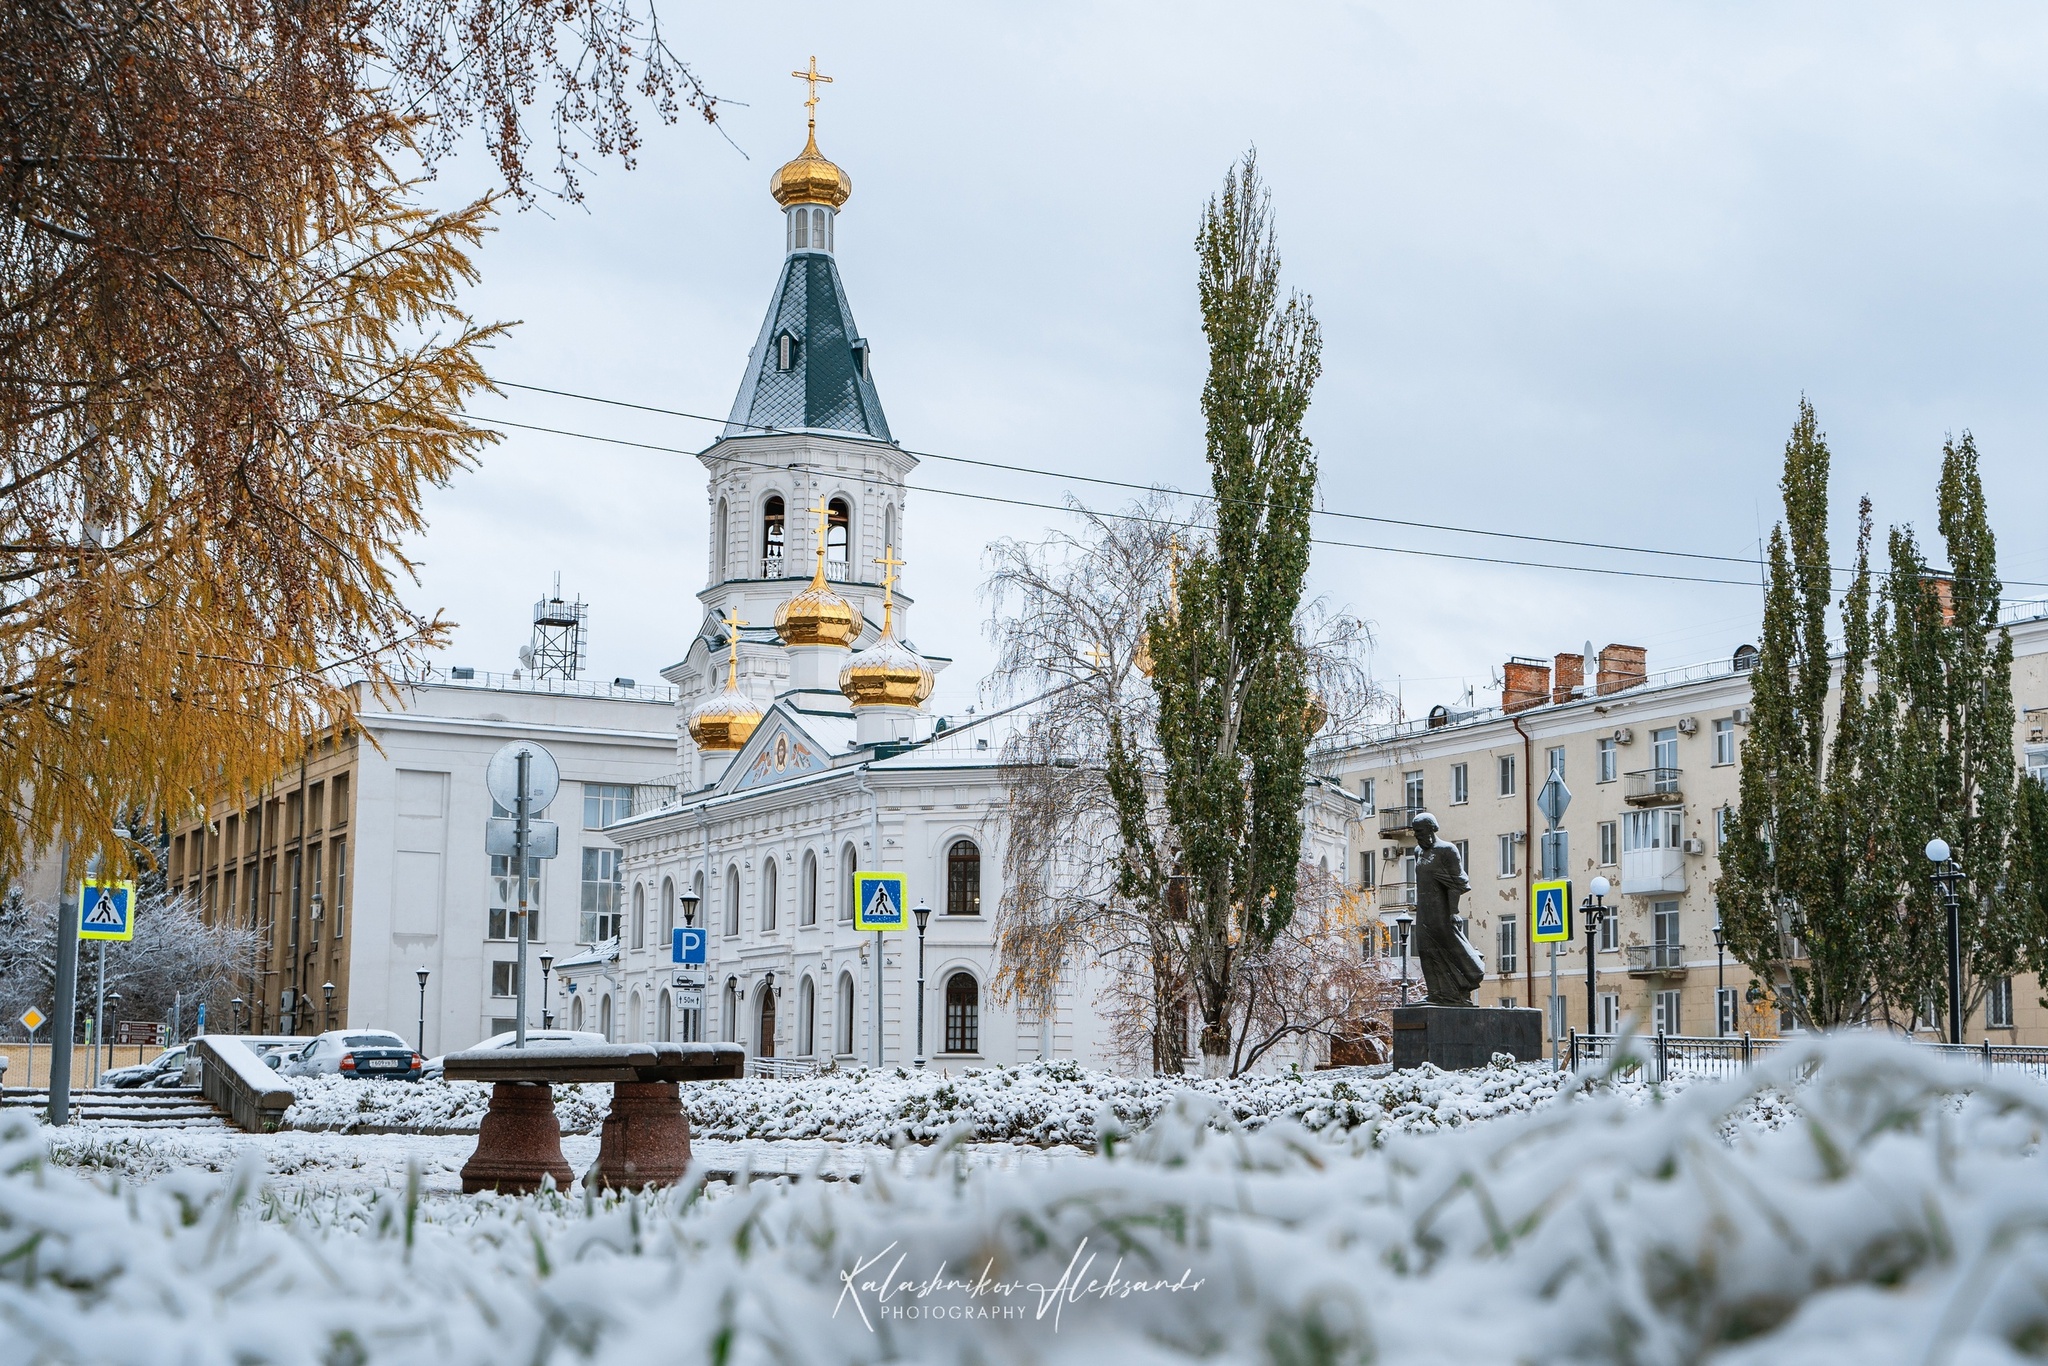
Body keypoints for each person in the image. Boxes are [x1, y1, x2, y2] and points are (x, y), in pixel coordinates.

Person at [1410, 812, 1484, 1006]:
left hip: (1441, 911)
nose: (1417, 836)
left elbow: (1457, 882)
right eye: (1415, 832)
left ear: (1432, 829)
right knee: (1426, 950)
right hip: (1424, 910)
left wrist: (1453, 912)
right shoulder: (1418, 851)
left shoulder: (1447, 850)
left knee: (1447, 948)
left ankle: (1459, 990)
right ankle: (1436, 993)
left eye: (1420, 831)